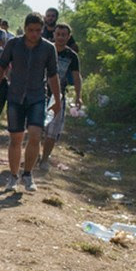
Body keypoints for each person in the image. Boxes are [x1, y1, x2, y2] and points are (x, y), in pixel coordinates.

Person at [0, 12, 61, 192]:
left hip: (37, 97)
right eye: (30, 30)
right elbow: (1, 68)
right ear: (25, 28)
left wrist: (58, 100)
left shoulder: (48, 49)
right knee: (16, 138)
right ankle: (13, 177)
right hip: (15, 96)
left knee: (35, 135)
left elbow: (53, 75)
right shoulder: (13, 44)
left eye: (38, 30)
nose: (34, 34)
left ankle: (27, 174)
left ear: (42, 29)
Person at [39, 22, 83, 168]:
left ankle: (44, 159)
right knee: (36, 128)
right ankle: (33, 155)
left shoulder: (72, 56)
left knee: (52, 131)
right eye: (58, 34)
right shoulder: (44, 49)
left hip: (58, 96)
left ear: (68, 37)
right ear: (54, 35)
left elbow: (77, 77)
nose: (60, 37)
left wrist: (78, 96)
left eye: (64, 35)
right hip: (39, 93)